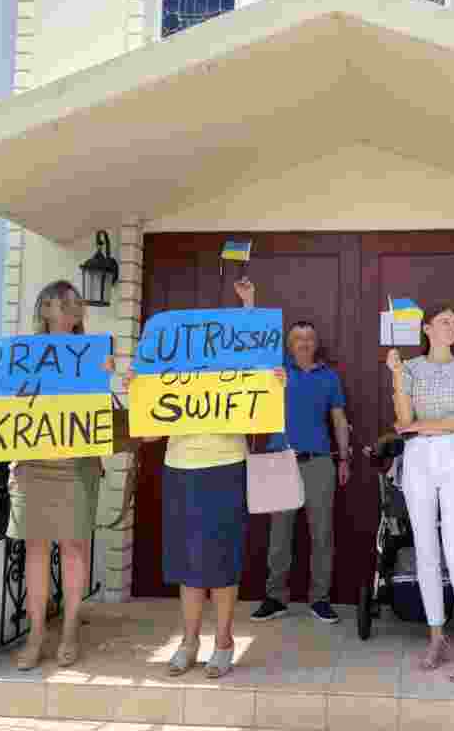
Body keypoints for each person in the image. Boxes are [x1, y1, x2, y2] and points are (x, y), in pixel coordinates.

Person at [0, 280, 133, 670]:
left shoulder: (93, 356)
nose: (68, 308)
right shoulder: (21, 354)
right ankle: (35, 635)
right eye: (59, 302)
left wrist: (105, 378)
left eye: (73, 303)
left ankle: (69, 631)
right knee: (35, 551)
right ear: (45, 308)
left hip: (77, 465)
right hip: (31, 465)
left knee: (73, 549)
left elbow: (105, 413)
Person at [123, 278, 285, 679]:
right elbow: (149, 435)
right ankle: (189, 641)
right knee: (188, 562)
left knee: (222, 561)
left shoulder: (234, 368)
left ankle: (224, 641)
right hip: (180, 469)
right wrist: (136, 393)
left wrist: (273, 380)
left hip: (227, 466)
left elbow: (254, 355)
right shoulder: (167, 374)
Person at [386, 303, 454, 683]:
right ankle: (436, 637)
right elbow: (403, 419)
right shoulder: (410, 368)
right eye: (444, 321)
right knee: (425, 550)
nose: (452, 326)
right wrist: (396, 376)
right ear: (427, 329)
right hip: (417, 459)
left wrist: (423, 426)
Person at [251, 317, 351, 624]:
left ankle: (320, 599)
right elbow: (249, 353)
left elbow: (338, 419)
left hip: (319, 462)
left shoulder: (329, 377)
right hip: (280, 461)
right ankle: (275, 598)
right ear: (289, 344)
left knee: (322, 534)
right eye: (298, 338)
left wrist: (344, 458)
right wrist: (249, 304)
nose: (304, 343)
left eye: (309, 338)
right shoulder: (275, 371)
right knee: (279, 536)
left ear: (315, 343)